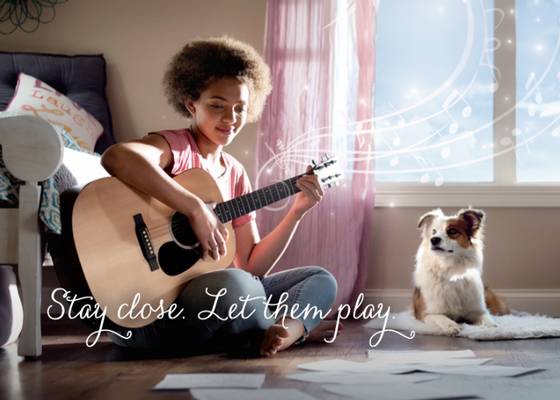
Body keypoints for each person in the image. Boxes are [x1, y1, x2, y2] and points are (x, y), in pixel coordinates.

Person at [101, 36, 338, 357]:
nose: (230, 119)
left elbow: (253, 266)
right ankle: (270, 329)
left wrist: (296, 212)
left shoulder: (235, 172)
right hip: (156, 314)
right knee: (235, 287)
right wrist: (194, 208)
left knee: (319, 279)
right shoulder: (177, 147)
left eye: (240, 108)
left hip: (221, 302)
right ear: (190, 104)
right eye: (217, 105)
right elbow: (117, 157)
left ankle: (284, 332)